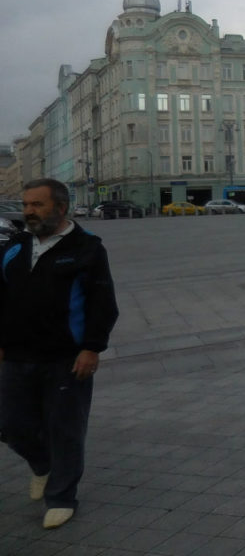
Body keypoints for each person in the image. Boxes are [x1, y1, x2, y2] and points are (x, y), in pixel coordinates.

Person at [0, 178, 119, 530]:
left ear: (61, 208)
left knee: (65, 429)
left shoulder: (87, 248)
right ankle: (42, 464)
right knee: (9, 424)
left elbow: (103, 303)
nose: (28, 212)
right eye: (25, 205)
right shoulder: (15, 246)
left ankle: (62, 497)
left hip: (67, 357)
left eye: (36, 205)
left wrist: (91, 348)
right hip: (18, 355)